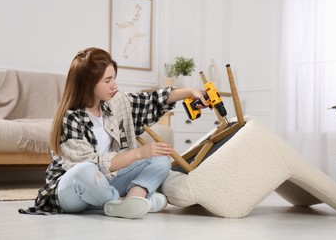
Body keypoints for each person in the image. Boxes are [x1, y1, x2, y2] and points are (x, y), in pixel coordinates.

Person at [18, 47, 207, 218]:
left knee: (162, 160)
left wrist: (190, 92)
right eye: (107, 80)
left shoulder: (115, 104)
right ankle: (123, 202)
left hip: (107, 183)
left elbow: (152, 100)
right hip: (73, 190)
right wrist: (140, 153)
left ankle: (134, 198)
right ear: (87, 84)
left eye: (113, 78)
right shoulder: (70, 118)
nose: (114, 85)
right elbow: (89, 165)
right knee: (86, 170)